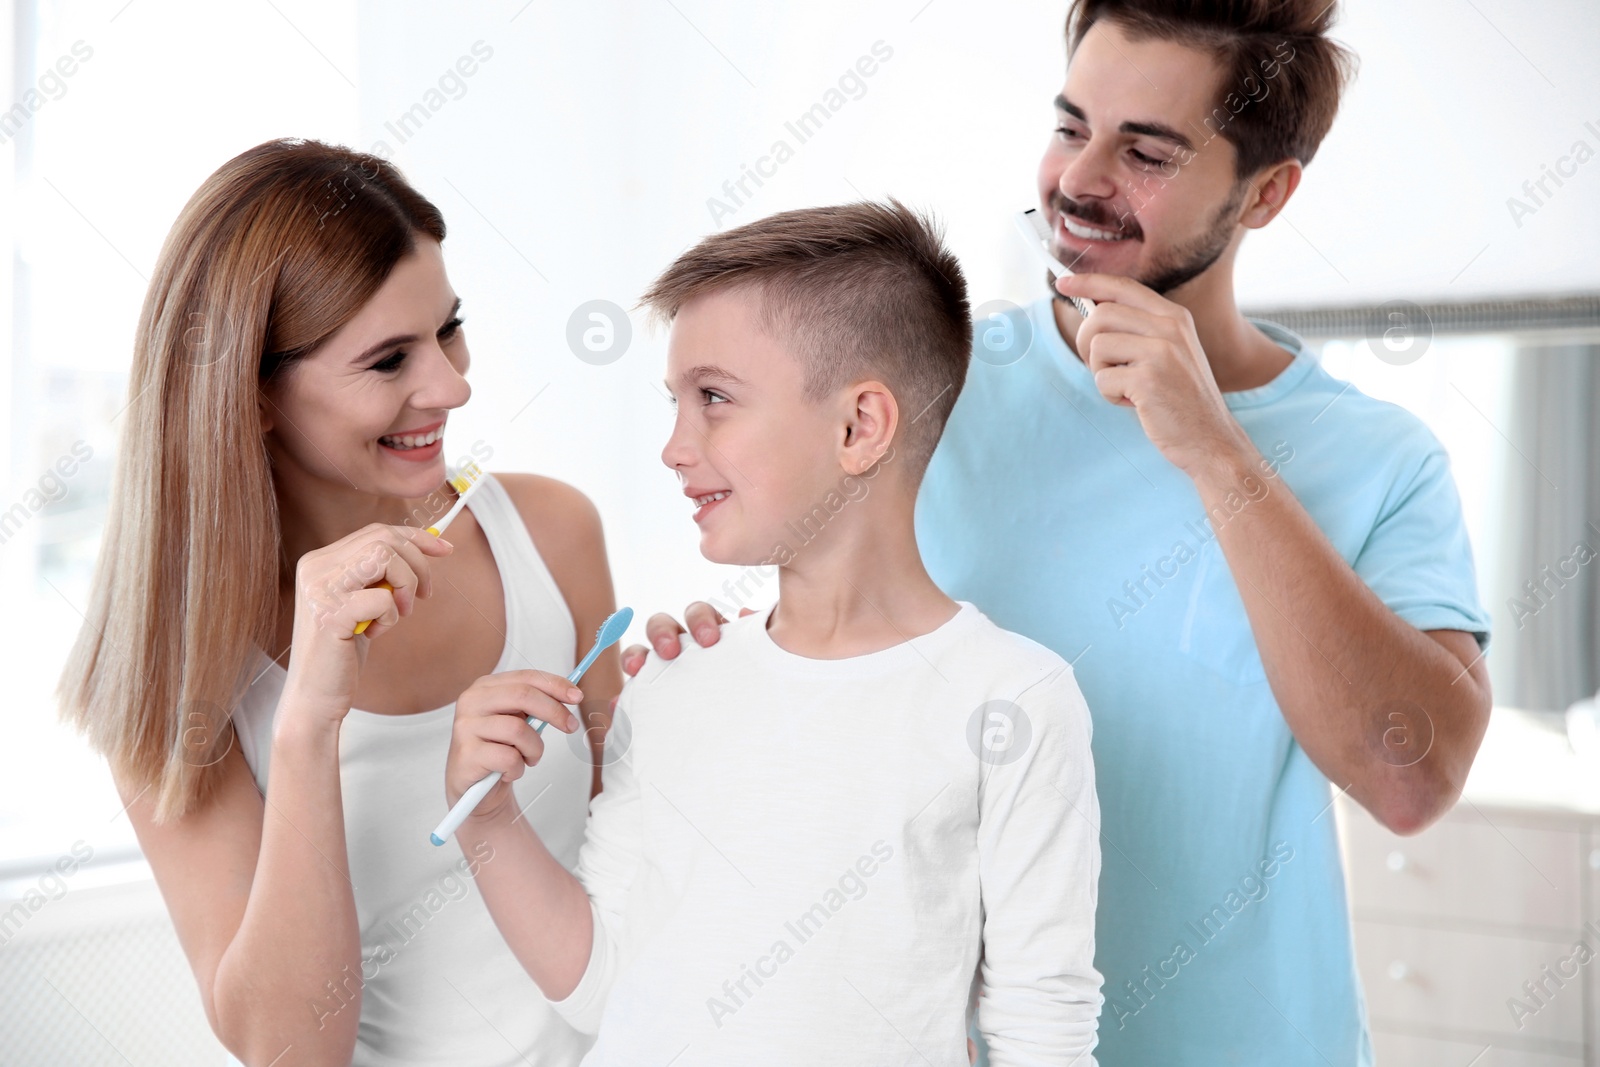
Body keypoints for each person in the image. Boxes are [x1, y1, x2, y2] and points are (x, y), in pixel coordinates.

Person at [624, 3, 1494, 1064]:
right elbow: (817, 653)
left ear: (1265, 192)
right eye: (1070, 123)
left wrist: (1217, 456)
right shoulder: (926, 391)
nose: (1079, 179)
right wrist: (722, 656)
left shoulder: (1378, 460)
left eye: (1147, 150)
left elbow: (1410, 781)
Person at [445, 200, 1103, 1064]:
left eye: (713, 398)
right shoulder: (674, 679)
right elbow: (602, 987)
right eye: (676, 402)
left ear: (858, 426)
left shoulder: (1012, 700)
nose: (674, 447)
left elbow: (1041, 1032)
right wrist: (488, 817)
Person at [56, 138, 620, 1066]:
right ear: (257, 394)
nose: (452, 384)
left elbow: (638, 864)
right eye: (389, 359)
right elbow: (288, 1052)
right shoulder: (175, 674)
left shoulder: (552, 534)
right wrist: (310, 717)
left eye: (449, 327)